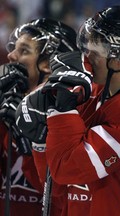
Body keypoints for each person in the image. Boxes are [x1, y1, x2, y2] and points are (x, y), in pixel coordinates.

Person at [16, 4, 120, 216]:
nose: (86, 56)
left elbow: (68, 168)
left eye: (95, 49)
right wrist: (41, 141)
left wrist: (62, 109)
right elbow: (57, 187)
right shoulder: (91, 92)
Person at [0, 18, 78, 216]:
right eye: (14, 48)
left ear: (48, 65)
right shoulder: (5, 101)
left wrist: (28, 137)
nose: (11, 55)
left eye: (24, 51)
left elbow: (57, 197)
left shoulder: (68, 117)